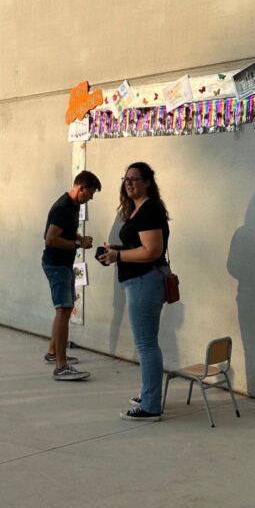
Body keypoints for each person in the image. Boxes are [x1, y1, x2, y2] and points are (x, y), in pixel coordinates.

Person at [99, 162, 170, 421]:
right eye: (126, 179)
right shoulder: (139, 208)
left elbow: (152, 251)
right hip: (141, 281)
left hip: (145, 281)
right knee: (147, 343)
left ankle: (150, 406)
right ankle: (148, 394)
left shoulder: (149, 209)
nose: (129, 183)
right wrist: (116, 250)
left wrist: (118, 255)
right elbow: (140, 246)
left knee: (146, 344)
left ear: (148, 182)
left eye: (135, 179)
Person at [42, 170, 101, 381]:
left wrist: (79, 239)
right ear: (81, 188)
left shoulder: (74, 205)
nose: (90, 198)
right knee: (63, 309)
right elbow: (50, 239)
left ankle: (52, 352)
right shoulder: (63, 207)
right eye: (90, 193)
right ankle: (61, 367)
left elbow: (65, 232)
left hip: (65, 265)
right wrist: (78, 243)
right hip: (56, 265)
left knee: (65, 310)